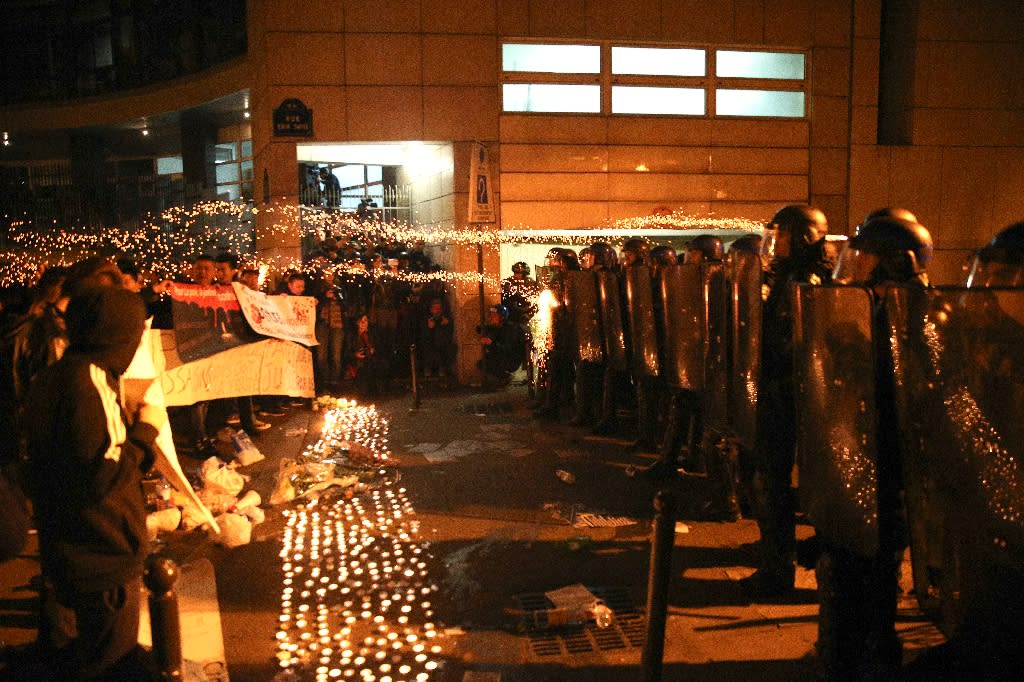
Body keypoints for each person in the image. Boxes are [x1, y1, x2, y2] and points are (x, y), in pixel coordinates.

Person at [23, 285, 164, 679]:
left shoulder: (56, 376)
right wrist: (146, 431)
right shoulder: (90, 380)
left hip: (70, 547)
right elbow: (102, 474)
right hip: (102, 554)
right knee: (110, 665)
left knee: (84, 660)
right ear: (120, 334)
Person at [816, 210, 932, 679]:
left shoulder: (919, 314)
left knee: (879, 570)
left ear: (897, 263)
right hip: (862, 457)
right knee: (852, 567)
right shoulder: (877, 306)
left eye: (864, 259)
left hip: (892, 466)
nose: (855, 267)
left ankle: (876, 656)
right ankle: (852, 651)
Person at [742, 203, 834, 598]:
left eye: (780, 236)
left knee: (774, 480)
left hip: (792, 392)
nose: (773, 243)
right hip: (785, 390)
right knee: (770, 478)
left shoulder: (808, 279)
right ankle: (777, 555)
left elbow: (792, 340)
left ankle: (778, 569)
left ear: (800, 237)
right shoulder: (788, 275)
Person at [477, 304, 525, 388]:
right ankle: (501, 379)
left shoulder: (510, 329)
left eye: (494, 315)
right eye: (490, 315)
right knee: (482, 363)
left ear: (502, 317)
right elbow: (482, 329)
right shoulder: (497, 327)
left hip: (511, 358)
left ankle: (506, 377)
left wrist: (491, 344)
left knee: (488, 363)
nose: (491, 317)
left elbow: (507, 348)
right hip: (502, 355)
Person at [418, 298, 455, 381]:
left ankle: (442, 367)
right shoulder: (426, 319)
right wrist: (429, 328)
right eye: (435, 308)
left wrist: (446, 325)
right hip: (429, 344)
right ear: (431, 309)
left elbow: (449, 334)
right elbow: (423, 335)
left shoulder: (445, 319)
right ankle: (428, 368)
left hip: (442, 345)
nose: (437, 311)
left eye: (439, 309)